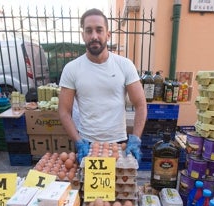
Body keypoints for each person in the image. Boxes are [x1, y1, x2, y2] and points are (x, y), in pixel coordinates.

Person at [58, 8, 147, 163]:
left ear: (108, 34)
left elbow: (140, 104)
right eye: (88, 31)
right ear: (83, 35)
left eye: (99, 30)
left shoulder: (124, 65)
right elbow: (64, 111)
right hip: (87, 143)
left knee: (116, 187)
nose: (94, 36)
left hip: (118, 144)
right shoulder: (72, 69)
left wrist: (136, 139)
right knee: (86, 187)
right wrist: (78, 141)